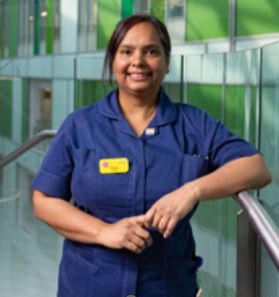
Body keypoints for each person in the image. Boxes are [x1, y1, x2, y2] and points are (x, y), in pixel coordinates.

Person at [32, 14, 271, 297]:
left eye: (152, 51)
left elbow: (256, 168)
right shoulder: (80, 125)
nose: (138, 61)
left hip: (167, 287)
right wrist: (103, 232)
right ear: (113, 61)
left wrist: (191, 191)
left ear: (167, 63)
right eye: (127, 51)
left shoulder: (193, 124)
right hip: (90, 285)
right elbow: (44, 201)